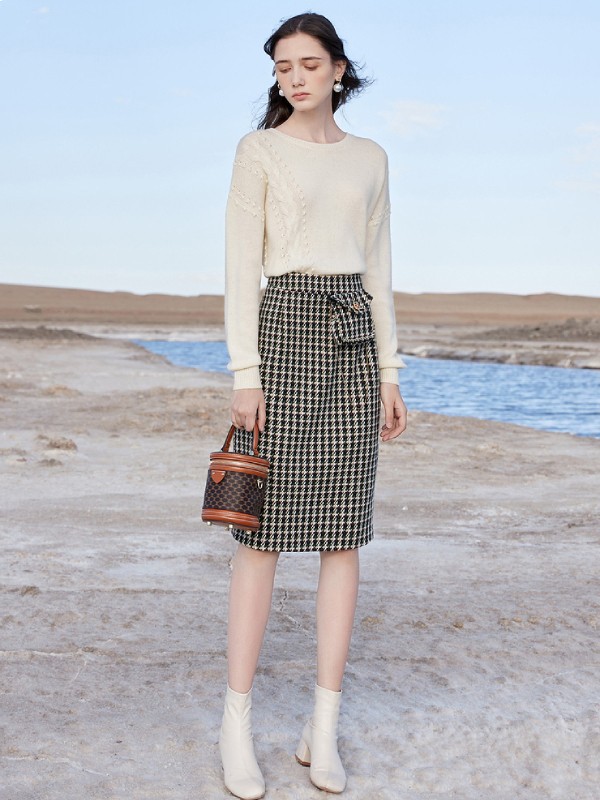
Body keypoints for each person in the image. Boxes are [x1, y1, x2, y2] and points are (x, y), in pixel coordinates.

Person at [218, 12, 407, 799]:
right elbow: (240, 267)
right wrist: (245, 372)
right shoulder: (259, 150)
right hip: (284, 329)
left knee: (343, 536)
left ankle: (321, 729)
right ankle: (235, 725)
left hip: (353, 341)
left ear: (338, 70)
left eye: (308, 64)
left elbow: (380, 270)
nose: (294, 78)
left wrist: (390, 372)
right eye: (282, 67)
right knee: (259, 535)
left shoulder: (371, 158)